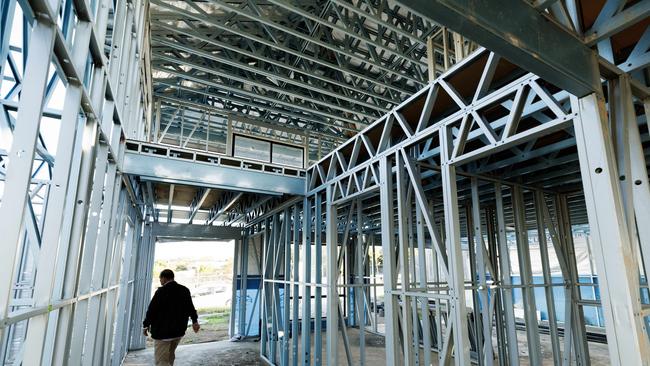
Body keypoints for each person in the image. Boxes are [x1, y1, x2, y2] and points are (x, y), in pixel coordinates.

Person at [143, 269, 200, 366]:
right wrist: (195, 321)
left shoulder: (161, 292)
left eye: (160, 279)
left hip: (162, 333)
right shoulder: (184, 290)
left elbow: (152, 310)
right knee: (170, 355)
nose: (160, 281)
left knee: (161, 360)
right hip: (178, 331)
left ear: (164, 278)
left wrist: (146, 325)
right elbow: (190, 307)